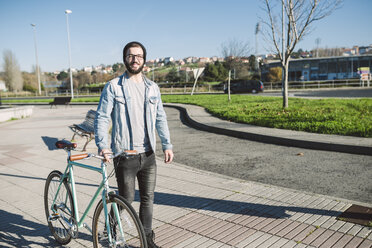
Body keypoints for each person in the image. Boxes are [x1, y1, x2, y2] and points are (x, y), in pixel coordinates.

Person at [94, 41, 174, 248]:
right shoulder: (113, 87)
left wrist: (167, 144)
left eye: (138, 56)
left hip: (148, 155)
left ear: (144, 60)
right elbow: (102, 118)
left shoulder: (153, 88)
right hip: (124, 155)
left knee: (148, 199)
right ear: (125, 59)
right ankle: (110, 230)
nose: (135, 59)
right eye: (131, 55)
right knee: (126, 199)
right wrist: (103, 146)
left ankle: (147, 241)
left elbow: (160, 118)